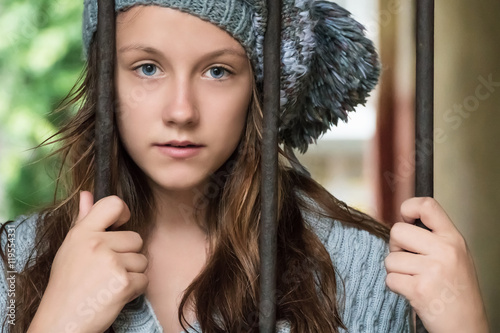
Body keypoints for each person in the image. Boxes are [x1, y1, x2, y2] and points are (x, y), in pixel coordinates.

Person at [0, 1, 489, 332]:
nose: (181, 111)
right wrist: (57, 321)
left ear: (257, 91)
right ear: (105, 78)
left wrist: (465, 322)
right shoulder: (15, 260)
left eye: (218, 71)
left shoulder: (361, 267)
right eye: (147, 67)